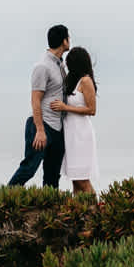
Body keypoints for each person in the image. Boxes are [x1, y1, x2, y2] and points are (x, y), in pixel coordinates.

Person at [8, 24, 69, 189]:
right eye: (68, 37)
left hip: (57, 128)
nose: (69, 41)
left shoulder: (60, 65)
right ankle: (5, 198)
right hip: (42, 126)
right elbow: (35, 99)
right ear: (64, 41)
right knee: (29, 168)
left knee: (52, 174)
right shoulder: (42, 66)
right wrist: (40, 130)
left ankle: (50, 207)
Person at [50, 46, 99, 198]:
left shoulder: (86, 81)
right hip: (70, 133)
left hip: (81, 134)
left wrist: (66, 107)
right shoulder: (72, 80)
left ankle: (97, 210)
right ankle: (80, 214)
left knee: (82, 179)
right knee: (75, 181)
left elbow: (91, 110)